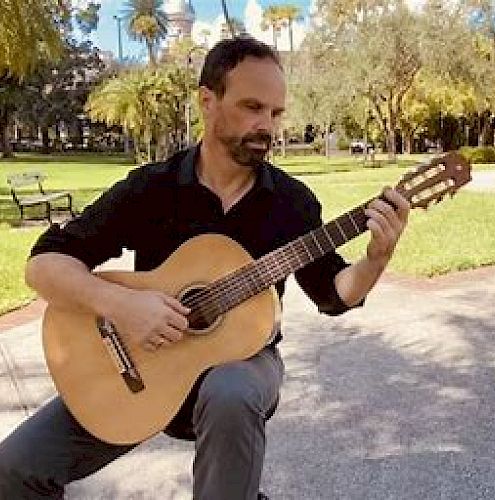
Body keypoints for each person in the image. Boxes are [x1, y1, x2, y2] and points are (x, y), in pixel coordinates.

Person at [0, 37, 410, 499]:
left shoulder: (291, 204)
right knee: (13, 469)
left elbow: (332, 292)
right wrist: (123, 305)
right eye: (252, 107)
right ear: (208, 102)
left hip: (244, 366)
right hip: (141, 364)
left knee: (230, 390)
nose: (266, 126)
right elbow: (45, 265)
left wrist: (376, 259)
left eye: (275, 113)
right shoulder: (152, 188)